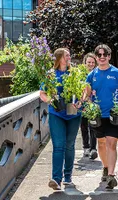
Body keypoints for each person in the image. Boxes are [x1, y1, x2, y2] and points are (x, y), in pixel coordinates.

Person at [40, 48, 82, 190]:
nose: (69, 57)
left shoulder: (74, 73)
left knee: (69, 145)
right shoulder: (51, 74)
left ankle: (68, 177)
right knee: (58, 146)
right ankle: (56, 179)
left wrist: (80, 101)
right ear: (59, 58)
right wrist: (51, 101)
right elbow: (42, 93)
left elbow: (83, 91)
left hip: (73, 113)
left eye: (69, 55)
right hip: (56, 113)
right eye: (67, 56)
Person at [85, 44, 118, 190]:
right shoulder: (91, 75)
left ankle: (112, 176)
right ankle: (106, 167)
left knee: (111, 144)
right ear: (96, 57)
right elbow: (87, 95)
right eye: (99, 55)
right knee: (101, 143)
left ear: (109, 56)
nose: (102, 57)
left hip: (113, 115)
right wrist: (89, 105)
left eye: (105, 54)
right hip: (98, 116)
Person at [81, 53, 98, 159]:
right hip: (82, 103)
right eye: (89, 62)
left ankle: (93, 148)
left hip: (93, 103)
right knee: (83, 126)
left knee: (93, 126)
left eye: (93, 62)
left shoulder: (97, 74)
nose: (91, 64)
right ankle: (86, 147)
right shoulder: (81, 75)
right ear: (85, 63)